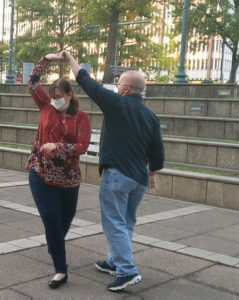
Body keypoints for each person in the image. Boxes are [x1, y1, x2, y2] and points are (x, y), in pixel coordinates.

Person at [60, 50, 164, 292]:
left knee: (114, 223)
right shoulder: (151, 116)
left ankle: (127, 271)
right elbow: (157, 152)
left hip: (117, 176)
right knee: (126, 221)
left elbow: (86, 82)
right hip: (138, 179)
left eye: (119, 84)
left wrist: (70, 60)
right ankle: (114, 261)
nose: (117, 87)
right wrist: (152, 176)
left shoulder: (118, 103)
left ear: (127, 89)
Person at [26, 54, 91, 289]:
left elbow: (82, 146)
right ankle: (61, 270)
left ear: (70, 95)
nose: (55, 101)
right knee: (52, 221)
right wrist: (46, 59)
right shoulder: (45, 106)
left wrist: (59, 147)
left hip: (69, 178)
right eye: (53, 98)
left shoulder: (81, 118)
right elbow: (33, 82)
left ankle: (55, 245)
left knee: (64, 220)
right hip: (41, 173)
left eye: (60, 97)